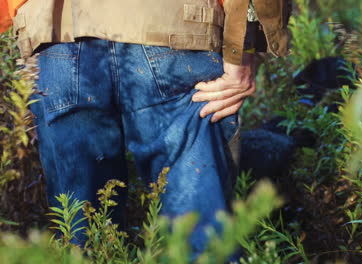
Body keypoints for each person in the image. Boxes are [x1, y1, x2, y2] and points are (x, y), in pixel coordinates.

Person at [6, 0, 289, 261]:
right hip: (173, 27)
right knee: (200, 236)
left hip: (55, 35)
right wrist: (244, 44)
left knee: (82, 237)